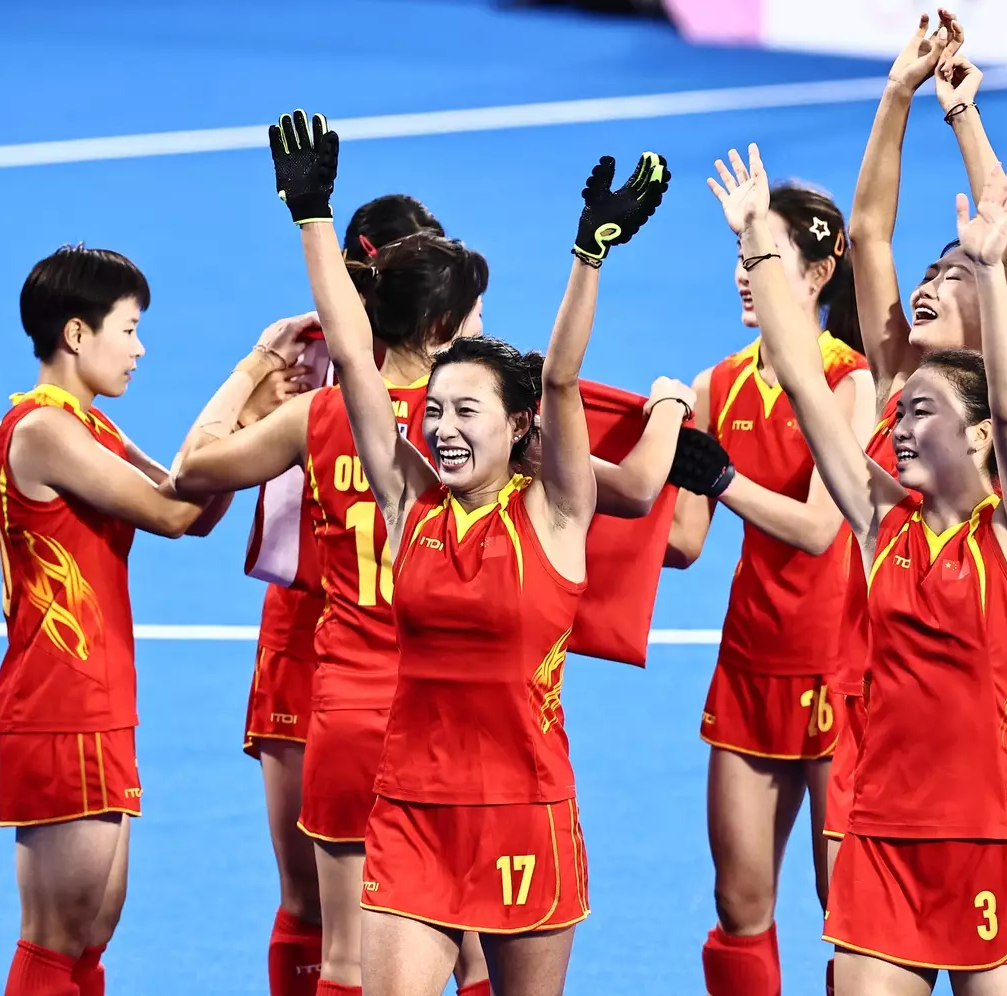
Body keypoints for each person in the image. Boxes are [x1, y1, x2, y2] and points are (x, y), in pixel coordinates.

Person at [253, 109, 668, 996]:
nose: (439, 428)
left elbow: (558, 378)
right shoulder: (409, 504)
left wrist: (589, 253)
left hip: (525, 810)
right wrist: (312, 215)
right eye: (434, 410)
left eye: (463, 414)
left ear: (518, 428)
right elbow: (359, 366)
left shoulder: (558, 509)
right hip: (408, 809)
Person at [712, 143, 1007, 994]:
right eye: (899, 411)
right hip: (878, 835)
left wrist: (990, 259)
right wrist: (759, 233)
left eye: (923, 412)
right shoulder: (879, 523)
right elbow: (800, 373)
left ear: (977, 437)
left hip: (995, 836)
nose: (898, 426)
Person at [824, 11, 1007, 900]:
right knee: (850, 933)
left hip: (947, 699)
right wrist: (898, 94)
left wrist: (965, 120)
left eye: (949, 279)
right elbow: (868, 235)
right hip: (862, 677)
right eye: (929, 277)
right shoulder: (895, 377)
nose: (927, 285)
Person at [0, 246, 231, 996]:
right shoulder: (43, 431)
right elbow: (170, 511)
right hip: (61, 705)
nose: (139, 348)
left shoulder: (85, 426)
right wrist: (250, 381)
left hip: (94, 700)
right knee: (58, 941)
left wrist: (256, 416)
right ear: (74, 334)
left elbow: (193, 508)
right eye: (127, 330)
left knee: (89, 937)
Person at [237, 194, 456, 996]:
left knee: (431, 925)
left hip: (385, 654)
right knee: (315, 904)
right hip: (312, 634)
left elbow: (196, 480)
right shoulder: (315, 363)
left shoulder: (457, 384)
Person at [662, 182, 876, 996]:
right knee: (738, 904)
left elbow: (822, 527)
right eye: (741, 258)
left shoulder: (848, 382)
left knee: (845, 910)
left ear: (819, 273)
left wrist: (721, 480)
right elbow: (682, 543)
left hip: (839, 671)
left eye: (767, 256)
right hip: (751, 666)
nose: (745, 275)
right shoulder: (717, 383)